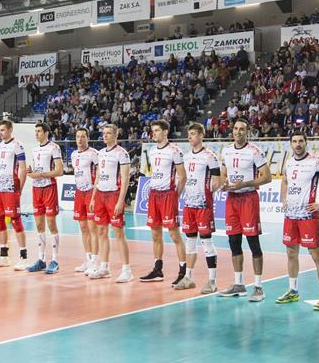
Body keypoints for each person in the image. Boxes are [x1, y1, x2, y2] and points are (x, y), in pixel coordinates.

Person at [276, 131, 319, 309]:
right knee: (291, 253)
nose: (297, 144)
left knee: (316, 255)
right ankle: (293, 291)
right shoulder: (288, 162)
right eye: (294, 141)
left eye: (301, 141)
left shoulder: (316, 162)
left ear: (306, 143)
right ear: (290, 144)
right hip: (291, 216)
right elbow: (285, 181)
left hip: (307, 216)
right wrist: (283, 198)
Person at [219, 118, 272, 301]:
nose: (238, 132)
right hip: (231, 199)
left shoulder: (254, 152)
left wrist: (245, 183)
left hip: (248, 199)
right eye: (235, 128)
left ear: (247, 132)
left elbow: (267, 177)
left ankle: (258, 287)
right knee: (234, 242)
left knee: (253, 242)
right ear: (232, 131)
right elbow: (224, 173)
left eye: (242, 129)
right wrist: (224, 183)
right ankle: (239, 284)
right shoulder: (226, 150)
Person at [140, 120, 188, 285]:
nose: (154, 133)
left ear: (166, 132)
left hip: (168, 195)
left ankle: (183, 272)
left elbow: (183, 176)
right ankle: (157, 269)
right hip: (154, 194)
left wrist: (176, 195)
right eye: (152, 131)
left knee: (175, 235)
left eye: (157, 131)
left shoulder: (175, 151)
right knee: (155, 234)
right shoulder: (152, 151)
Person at [177, 122, 222, 293]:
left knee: (207, 242)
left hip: (203, 205)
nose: (190, 137)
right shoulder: (186, 156)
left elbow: (217, 180)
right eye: (189, 134)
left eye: (194, 134)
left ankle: (212, 281)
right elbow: (184, 178)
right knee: (189, 242)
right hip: (189, 205)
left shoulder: (209, 156)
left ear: (201, 136)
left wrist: (207, 193)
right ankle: (188, 277)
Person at [89, 123, 133, 282]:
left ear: (115, 135)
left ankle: (127, 270)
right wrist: (93, 197)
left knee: (119, 233)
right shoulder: (100, 153)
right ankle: (104, 267)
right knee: (101, 232)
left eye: (108, 133)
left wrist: (121, 201)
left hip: (114, 195)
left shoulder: (122, 154)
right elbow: (98, 177)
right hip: (100, 194)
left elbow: (126, 178)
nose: (105, 136)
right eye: (104, 133)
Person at [0, 120, 28, 269]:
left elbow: (22, 169)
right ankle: (3, 256)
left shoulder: (17, 146)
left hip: (11, 188)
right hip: (0, 189)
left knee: (16, 221)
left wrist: (20, 189)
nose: (1, 133)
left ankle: (24, 257)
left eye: (3, 130)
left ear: (10, 130)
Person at [25, 123, 63, 274]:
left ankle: (55, 260)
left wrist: (39, 175)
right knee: (39, 225)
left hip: (49, 188)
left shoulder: (54, 148)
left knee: (51, 224)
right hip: (36, 189)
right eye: (35, 131)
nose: (37, 134)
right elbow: (38, 170)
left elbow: (59, 171)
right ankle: (41, 260)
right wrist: (31, 172)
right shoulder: (35, 150)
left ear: (46, 132)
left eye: (39, 131)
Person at [69, 128, 100, 274]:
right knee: (83, 228)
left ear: (88, 138)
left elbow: (100, 173)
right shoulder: (73, 154)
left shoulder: (94, 154)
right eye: (77, 137)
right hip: (79, 192)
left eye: (82, 137)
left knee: (92, 228)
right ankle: (88, 260)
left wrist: (95, 195)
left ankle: (95, 261)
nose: (80, 139)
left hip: (91, 192)